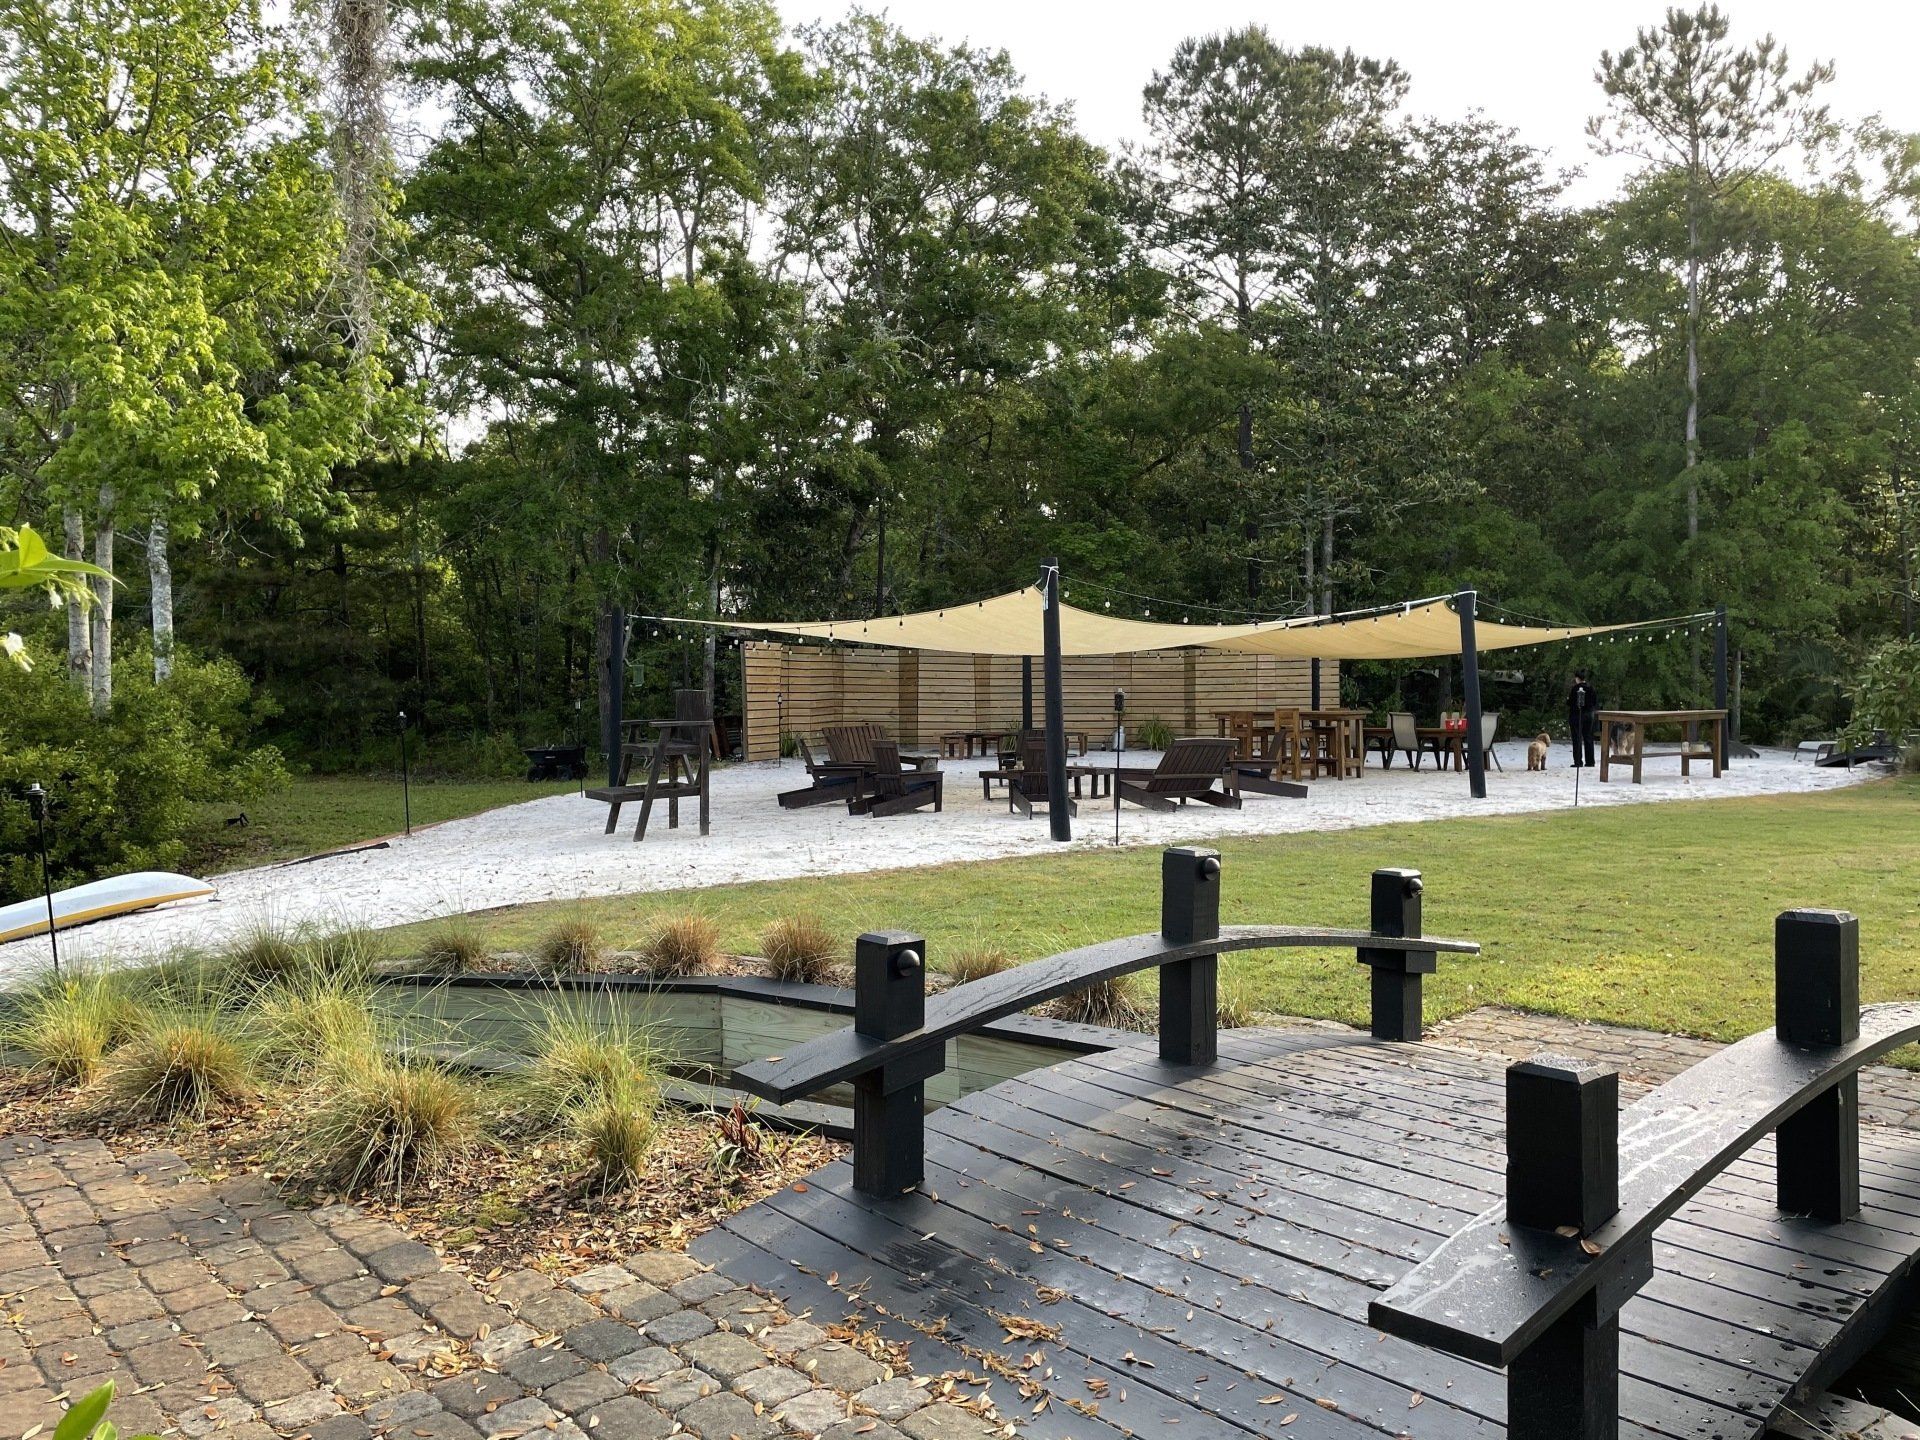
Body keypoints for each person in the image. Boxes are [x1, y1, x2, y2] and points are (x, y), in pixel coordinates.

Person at [1567, 670, 1599, 768]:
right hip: (1589, 715)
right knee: (1588, 737)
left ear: (1577, 678)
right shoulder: (1590, 688)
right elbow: (1595, 702)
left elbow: (1570, 702)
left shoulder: (1575, 689)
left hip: (1576, 715)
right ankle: (1590, 761)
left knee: (1577, 738)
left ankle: (1578, 761)